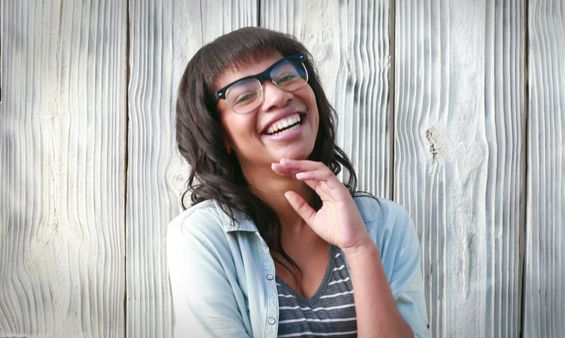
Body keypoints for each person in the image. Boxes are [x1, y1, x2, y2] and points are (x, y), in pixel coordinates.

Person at [168, 26, 430, 338]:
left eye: (287, 76)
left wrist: (359, 249)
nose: (279, 96)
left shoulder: (387, 225)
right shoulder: (202, 237)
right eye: (246, 95)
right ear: (219, 134)